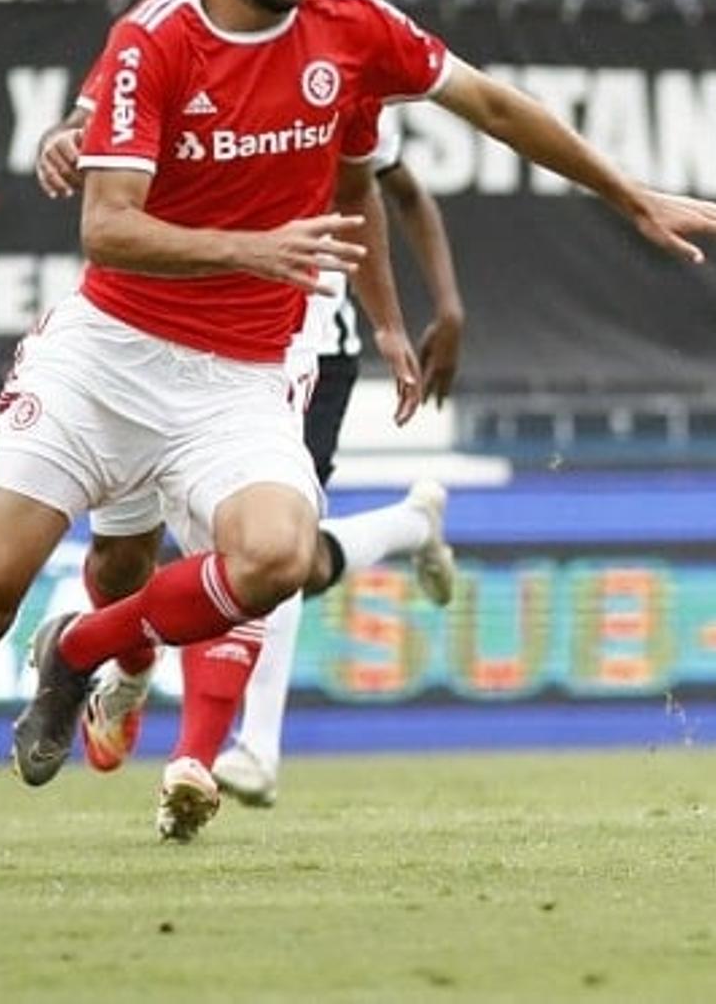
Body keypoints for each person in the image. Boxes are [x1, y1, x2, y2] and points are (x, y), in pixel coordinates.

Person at [0, 0, 716, 882]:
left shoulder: (352, 28)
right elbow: (106, 225)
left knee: (277, 557)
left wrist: (630, 198)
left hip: (239, 377)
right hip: (106, 359)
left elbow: (492, 104)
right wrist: (250, 246)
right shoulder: (155, 38)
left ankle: (79, 650)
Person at [36, 98, 463, 838]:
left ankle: (222, 753)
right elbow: (78, 131)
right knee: (122, 559)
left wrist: (427, 313)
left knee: (253, 550)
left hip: (298, 346)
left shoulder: (339, 58)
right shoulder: (163, 38)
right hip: (149, 339)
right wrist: (60, 142)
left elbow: (388, 188)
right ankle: (131, 671)